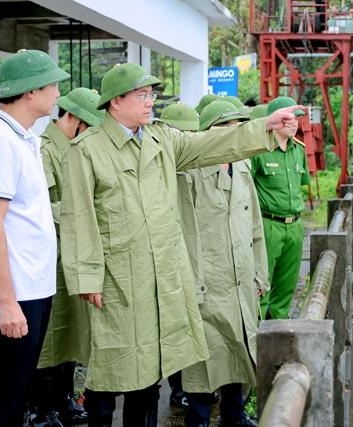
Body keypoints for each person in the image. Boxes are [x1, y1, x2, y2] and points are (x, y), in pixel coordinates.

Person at [58, 63, 303, 427]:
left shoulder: (161, 139)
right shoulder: (88, 150)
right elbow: (78, 218)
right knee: (110, 369)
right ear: (116, 102)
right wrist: (87, 277)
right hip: (116, 279)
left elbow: (211, 143)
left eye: (151, 95)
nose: (150, 102)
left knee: (151, 370)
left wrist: (263, 126)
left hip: (160, 275)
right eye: (142, 95)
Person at [0, 49, 70, 427]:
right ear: (30, 92)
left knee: (14, 393)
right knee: (1, 400)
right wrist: (7, 304)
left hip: (31, 287)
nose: (58, 93)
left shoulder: (21, 137)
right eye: (53, 85)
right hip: (15, 291)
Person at [176, 100, 269, 427]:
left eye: (237, 128)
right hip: (208, 281)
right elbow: (182, 230)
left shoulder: (242, 167)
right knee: (204, 357)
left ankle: (235, 415)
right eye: (226, 128)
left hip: (241, 278)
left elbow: (254, 225)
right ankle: (198, 418)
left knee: (240, 348)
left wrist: (260, 274)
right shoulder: (191, 171)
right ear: (208, 133)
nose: (233, 135)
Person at [27, 87, 104, 426]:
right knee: (51, 336)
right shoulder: (44, 151)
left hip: (74, 251)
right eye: (87, 125)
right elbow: (43, 207)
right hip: (51, 254)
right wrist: (83, 213)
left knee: (72, 330)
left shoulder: (76, 148)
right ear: (72, 118)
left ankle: (64, 399)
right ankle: (42, 408)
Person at [155, 101, 200, 412]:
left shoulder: (198, 166)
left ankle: (190, 388)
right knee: (169, 327)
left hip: (194, 258)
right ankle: (176, 389)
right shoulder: (158, 168)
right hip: (165, 256)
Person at [252, 96, 310, 319]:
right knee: (262, 286)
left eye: (297, 119)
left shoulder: (298, 150)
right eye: (289, 119)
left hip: (294, 225)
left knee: (286, 288)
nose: (294, 123)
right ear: (276, 121)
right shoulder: (259, 150)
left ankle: (279, 337)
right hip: (268, 225)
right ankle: (257, 341)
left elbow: (299, 187)